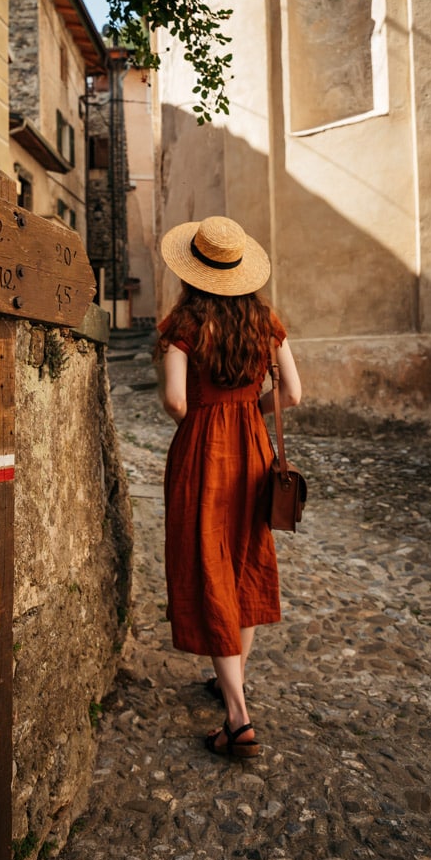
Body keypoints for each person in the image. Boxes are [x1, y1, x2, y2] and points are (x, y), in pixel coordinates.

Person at [155, 216, 301, 758]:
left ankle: (237, 717)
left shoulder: (185, 324)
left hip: (203, 451)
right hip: (253, 448)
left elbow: (175, 400)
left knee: (207, 562)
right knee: (245, 557)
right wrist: (249, 411)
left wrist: (200, 421)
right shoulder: (265, 320)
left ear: (194, 271)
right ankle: (230, 678)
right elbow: (293, 393)